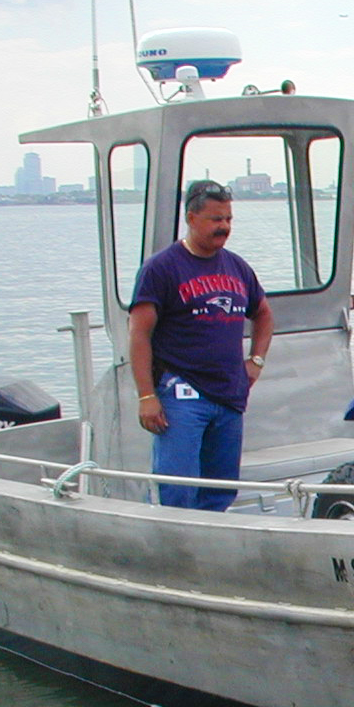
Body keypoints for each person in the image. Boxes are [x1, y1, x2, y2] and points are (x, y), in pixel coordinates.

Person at [129, 179, 273, 511]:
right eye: (215, 219)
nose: (224, 227)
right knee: (179, 490)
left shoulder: (237, 267)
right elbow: (138, 334)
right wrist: (147, 395)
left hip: (229, 396)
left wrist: (256, 360)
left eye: (228, 219)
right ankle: (177, 551)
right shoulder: (161, 268)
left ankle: (211, 551)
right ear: (192, 219)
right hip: (181, 394)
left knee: (221, 490)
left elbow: (264, 315)